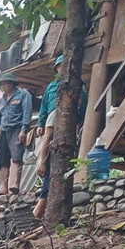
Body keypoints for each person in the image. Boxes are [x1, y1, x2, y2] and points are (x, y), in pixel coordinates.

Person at [31, 55, 88, 221]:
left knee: (53, 182)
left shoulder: (79, 85)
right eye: (59, 66)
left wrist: (79, 122)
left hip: (69, 123)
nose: (61, 69)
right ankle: (36, 218)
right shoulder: (51, 87)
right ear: (56, 69)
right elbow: (44, 111)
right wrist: (40, 123)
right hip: (52, 119)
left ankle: (36, 218)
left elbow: (83, 106)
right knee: (48, 183)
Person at [0, 73, 32, 195]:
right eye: (3, 84)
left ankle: (15, 184)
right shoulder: (1, 101)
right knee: (2, 160)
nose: (5, 86)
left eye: (7, 83)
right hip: (4, 131)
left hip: (17, 128)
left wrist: (23, 130)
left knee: (16, 156)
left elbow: (27, 112)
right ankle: (3, 187)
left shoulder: (23, 94)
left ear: (12, 84)